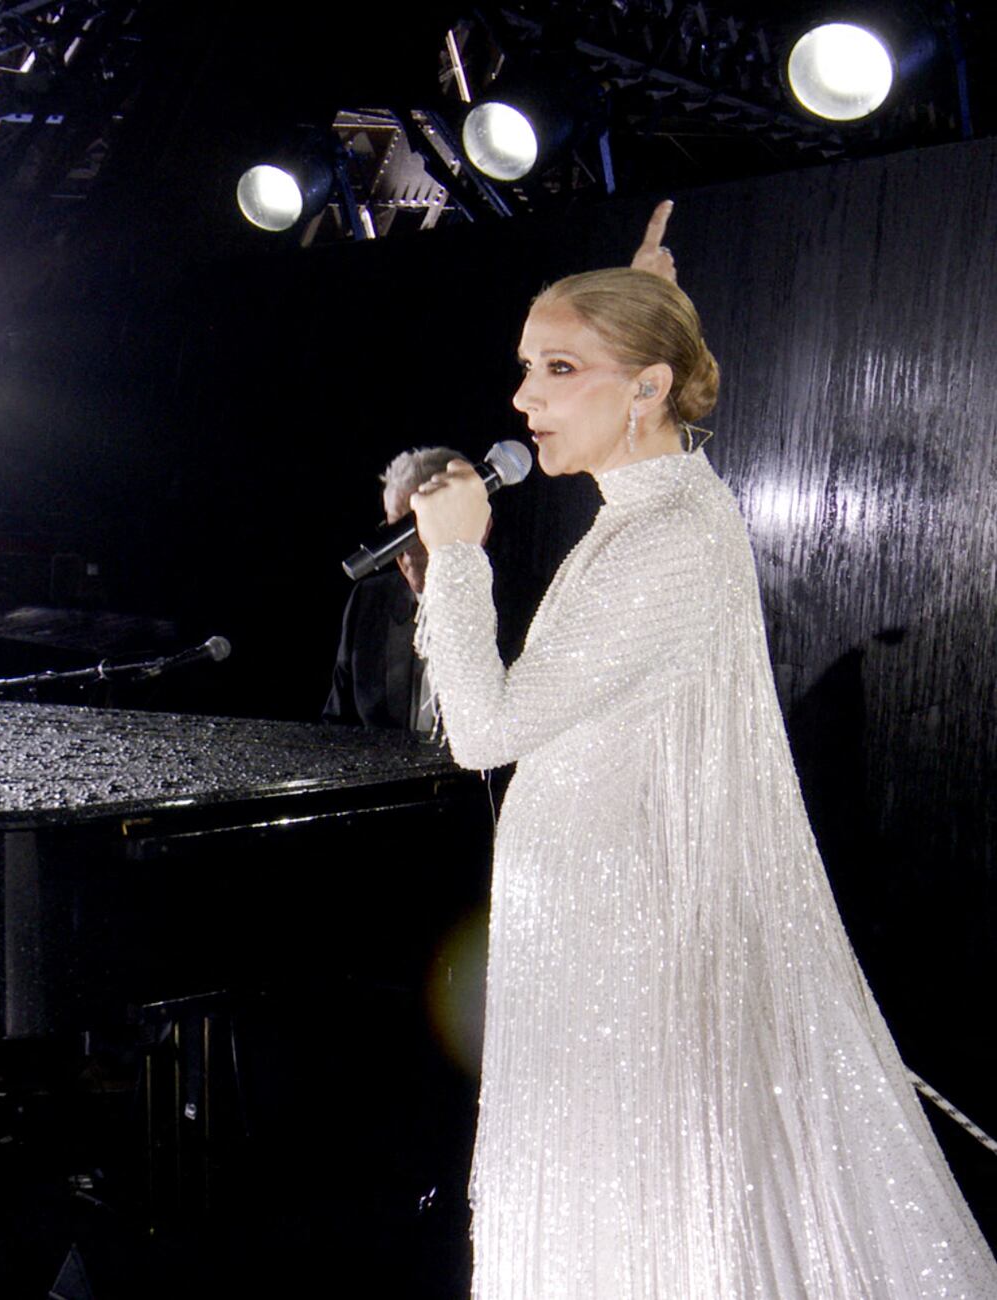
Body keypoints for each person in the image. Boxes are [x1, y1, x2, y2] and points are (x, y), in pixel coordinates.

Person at [406, 205, 995, 1296]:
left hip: (616, 946)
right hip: (581, 929)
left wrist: (454, 561)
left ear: (645, 389)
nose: (522, 397)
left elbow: (483, 729)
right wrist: (641, 295)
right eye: (525, 367)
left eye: (555, 367)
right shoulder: (646, 512)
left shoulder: (669, 539)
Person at [323, 446, 465, 732]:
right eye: (394, 533)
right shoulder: (369, 602)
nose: (408, 549)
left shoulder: (521, 606)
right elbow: (338, 729)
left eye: (418, 528)